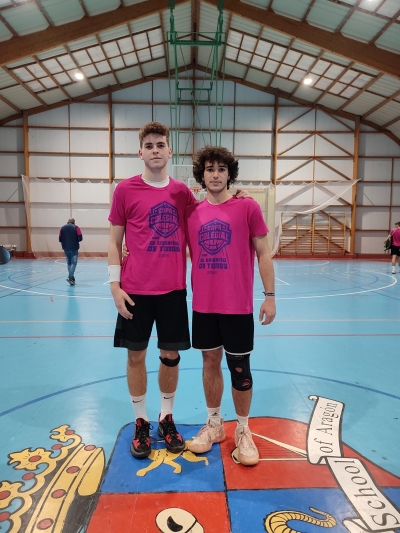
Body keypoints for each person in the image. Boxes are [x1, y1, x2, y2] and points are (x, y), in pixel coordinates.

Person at [107, 121, 197, 459]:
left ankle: (165, 418)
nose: (155, 150)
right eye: (149, 145)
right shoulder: (125, 190)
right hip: (135, 291)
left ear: (169, 151)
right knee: (136, 356)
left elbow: (206, 218)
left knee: (170, 356)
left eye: (160, 145)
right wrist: (115, 286)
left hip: (172, 290)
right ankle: (141, 420)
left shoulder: (182, 193)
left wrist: (237, 196)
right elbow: (114, 242)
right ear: (140, 152)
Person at [185, 146, 276, 466]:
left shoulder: (247, 207)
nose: (215, 174)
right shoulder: (191, 213)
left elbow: (264, 253)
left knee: (239, 367)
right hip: (204, 304)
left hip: (237, 304)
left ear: (229, 174)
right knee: (210, 362)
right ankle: (214, 424)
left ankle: (243, 429)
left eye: (221, 169)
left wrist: (269, 296)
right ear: (202, 175)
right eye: (210, 169)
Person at [59, 218, 82, 285]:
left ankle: (72, 279)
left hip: (65, 247)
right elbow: (80, 238)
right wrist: (76, 240)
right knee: (73, 263)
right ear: (74, 222)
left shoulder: (62, 228)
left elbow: (60, 239)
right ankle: (70, 277)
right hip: (74, 247)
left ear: (68, 221)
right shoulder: (76, 227)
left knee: (69, 263)